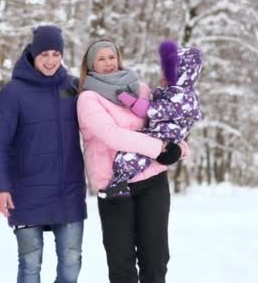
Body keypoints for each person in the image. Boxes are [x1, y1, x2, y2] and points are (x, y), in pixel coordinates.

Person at [77, 39, 190, 283]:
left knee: (156, 258)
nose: (108, 63)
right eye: (101, 58)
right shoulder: (88, 99)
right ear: (91, 65)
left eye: (112, 56)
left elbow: (163, 124)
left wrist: (178, 148)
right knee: (121, 264)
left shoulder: (140, 88)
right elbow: (112, 135)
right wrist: (159, 149)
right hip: (116, 186)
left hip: (153, 181)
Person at [0, 25, 87, 283]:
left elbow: (107, 116)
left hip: (68, 192)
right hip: (27, 192)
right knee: (30, 267)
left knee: (71, 264)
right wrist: (0, 188)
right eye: (45, 54)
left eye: (56, 53)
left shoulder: (74, 88)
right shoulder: (12, 94)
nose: (51, 60)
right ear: (33, 54)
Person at [99, 40, 202, 199]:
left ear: (181, 74)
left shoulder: (186, 98)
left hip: (167, 135)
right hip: (157, 131)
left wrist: (136, 104)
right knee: (131, 152)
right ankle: (119, 181)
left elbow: (159, 110)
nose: (162, 76)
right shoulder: (168, 92)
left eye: (167, 72)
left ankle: (120, 183)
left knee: (137, 155)